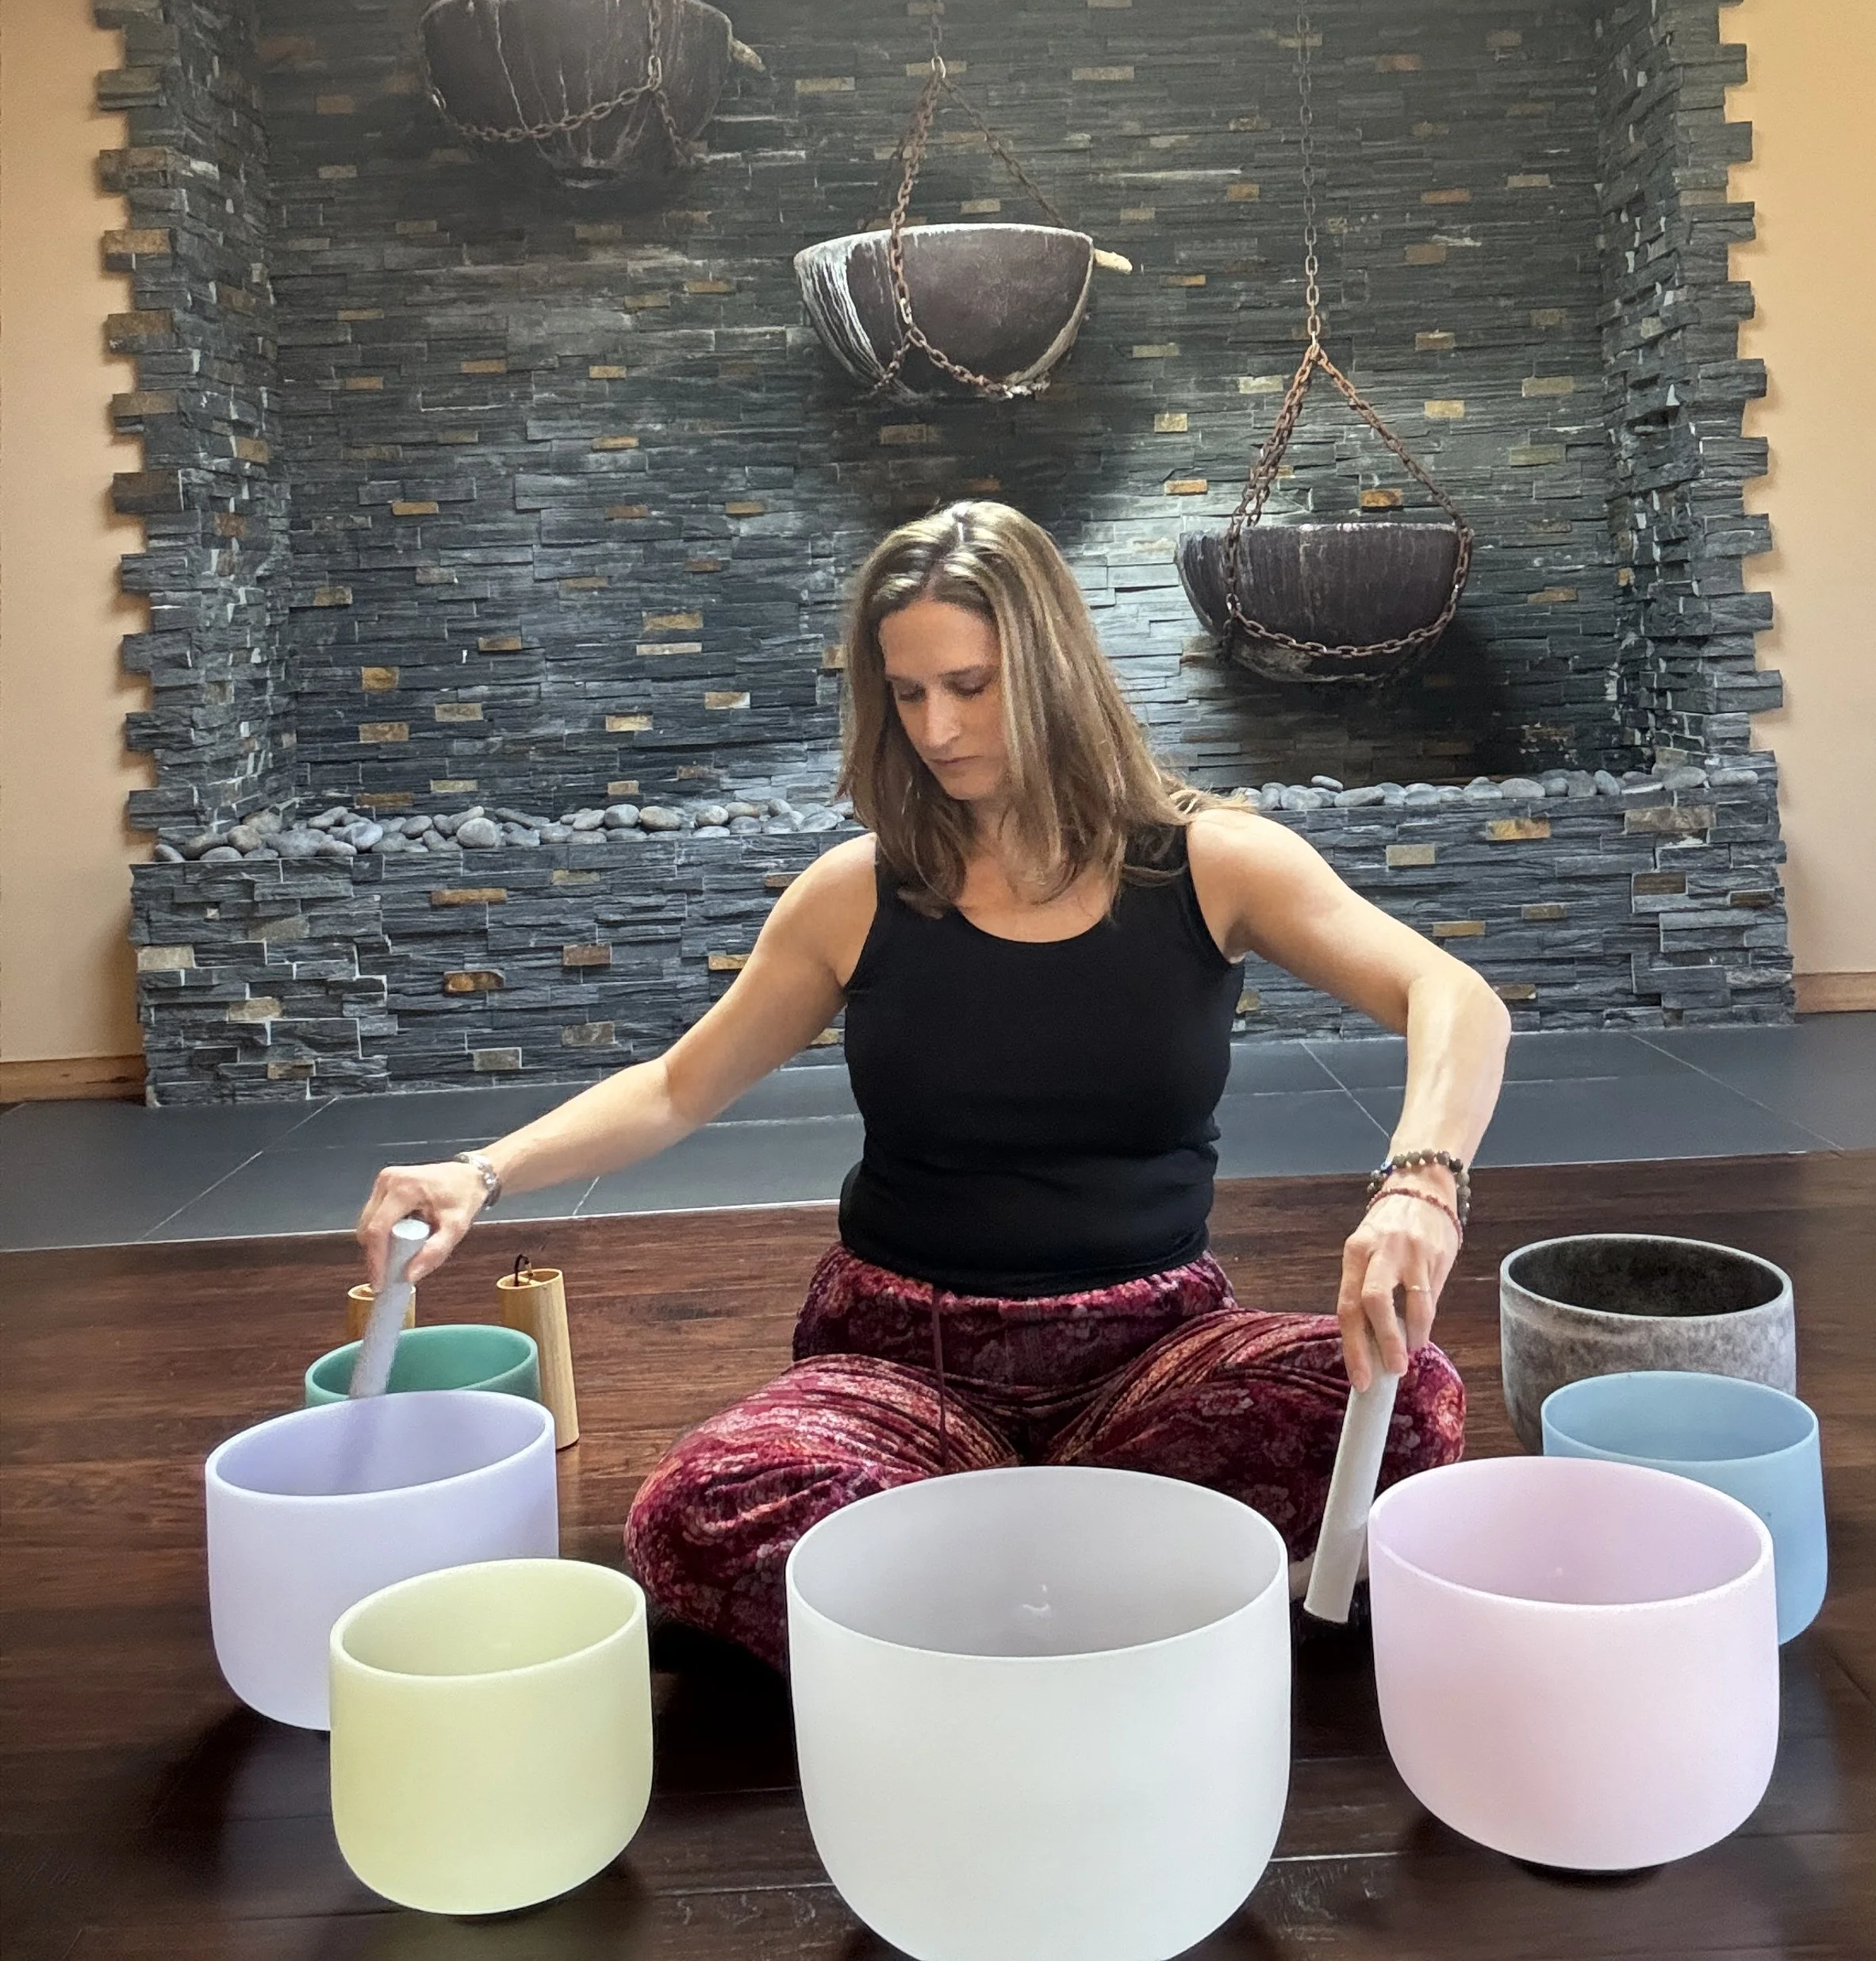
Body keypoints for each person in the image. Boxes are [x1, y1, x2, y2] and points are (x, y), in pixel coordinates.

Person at [359, 501, 1507, 1670]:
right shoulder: (855, 893)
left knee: (1405, 1401)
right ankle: (1108, 1593)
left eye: (970, 684)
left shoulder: (1214, 862)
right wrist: (480, 1172)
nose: (938, 729)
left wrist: (1421, 1185)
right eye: (907, 695)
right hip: (907, 1360)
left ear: (1054, 666)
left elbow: (1453, 997)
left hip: (1147, 1356)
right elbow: (673, 1088)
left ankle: (968, 1597)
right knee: (694, 1520)